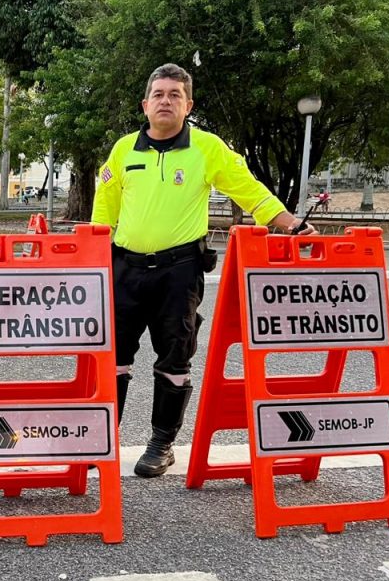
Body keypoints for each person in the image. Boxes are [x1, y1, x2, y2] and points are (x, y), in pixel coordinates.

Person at [92, 63, 316, 478]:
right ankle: (103, 440)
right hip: (124, 269)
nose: (165, 101)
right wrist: (92, 255)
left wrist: (289, 223)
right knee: (114, 360)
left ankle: (161, 444)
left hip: (180, 271)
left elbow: (247, 188)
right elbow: (103, 209)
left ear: (188, 104)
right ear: (145, 104)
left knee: (175, 358)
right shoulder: (123, 150)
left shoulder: (208, 147)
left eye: (175, 95)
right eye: (158, 94)